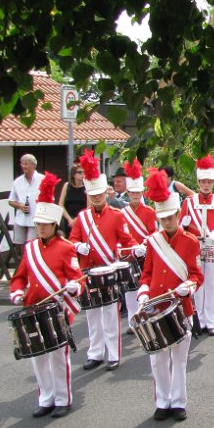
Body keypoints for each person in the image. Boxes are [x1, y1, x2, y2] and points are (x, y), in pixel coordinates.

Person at [10, 172, 84, 419]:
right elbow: (19, 277)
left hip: (56, 310)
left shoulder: (66, 248)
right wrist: (17, 291)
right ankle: (46, 398)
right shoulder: (29, 249)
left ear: (54, 225)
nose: (40, 228)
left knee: (58, 357)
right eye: (38, 225)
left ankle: (63, 398)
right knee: (38, 357)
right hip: (33, 309)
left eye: (45, 225)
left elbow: (77, 277)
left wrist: (74, 288)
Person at [136, 168, 204, 422]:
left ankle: (178, 402)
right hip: (155, 308)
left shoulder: (191, 242)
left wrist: (190, 285)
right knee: (158, 360)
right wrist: (143, 292)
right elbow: (146, 274)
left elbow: (198, 275)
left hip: (180, 309)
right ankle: (162, 401)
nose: (167, 222)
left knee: (179, 360)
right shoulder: (153, 242)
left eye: (170, 218)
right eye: (162, 219)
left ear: (178, 215)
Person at [69, 149, 141, 372]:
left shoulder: (118, 215)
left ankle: (112, 354)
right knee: (92, 315)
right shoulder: (82, 217)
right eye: (94, 195)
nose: (98, 198)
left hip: (109, 270)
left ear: (105, 194)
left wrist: (132, 249)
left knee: (110, 314)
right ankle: (95, 353)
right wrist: (78, 246)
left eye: (101, 194)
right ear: (89, 196)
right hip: (88, 272)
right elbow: (71, 240)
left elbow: (127, 239)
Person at [180, 155, 214, 335]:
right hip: (194, 249)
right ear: (198, 182)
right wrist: (184, 224)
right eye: (203, 181)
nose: (206, 185)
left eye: (209, 181)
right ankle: (199, 320)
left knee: (211, 284)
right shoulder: (188, 202)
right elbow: (181, 228)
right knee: (197, 285)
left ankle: (211, 321)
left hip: (213, 247)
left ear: (213, 182)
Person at [120, 159, 157, 327]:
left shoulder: (149, 211)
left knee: (145, 285)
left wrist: (144, 244)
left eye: (138, 193)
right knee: (129, 288)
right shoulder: (122, 213)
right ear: (128, 193)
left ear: (142, 193)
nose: (136, 195)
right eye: (133, 193)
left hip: (145, 253)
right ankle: (132, 320)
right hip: (129, 254)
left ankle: (145, 315)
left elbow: (154, 233)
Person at [8, 153, 45, 249]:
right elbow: (11, 201)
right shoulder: (17, 182)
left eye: (26, 164)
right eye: (22, 163)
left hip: (36, 218)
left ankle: (31, 263)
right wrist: (20, 206)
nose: (23, 166)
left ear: (33, 165)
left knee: (32, 244)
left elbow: (50, 199)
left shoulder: (43, 179)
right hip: (21, 218)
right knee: (19, 244)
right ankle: (22, 262)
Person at [58, 164, 87, 235]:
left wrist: (77, 220)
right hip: (68, 220)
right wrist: (69, 219)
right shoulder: (67, 186)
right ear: (73, 174)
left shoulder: (87, 187)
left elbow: (89, 207)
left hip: (81, 220)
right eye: (80, 172)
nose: (82, 174)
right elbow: (61, 205)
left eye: (84, 172)